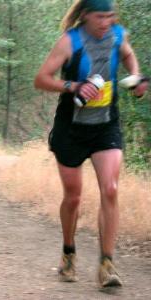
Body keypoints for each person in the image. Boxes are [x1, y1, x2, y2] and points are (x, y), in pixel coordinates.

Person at [34, 0, 148, 288]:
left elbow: (129, 57)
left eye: (110, 16)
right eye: (100, 17)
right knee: (73, 197)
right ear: (85, 16)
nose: (106, 22)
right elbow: (41, 79)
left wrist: (136, 79)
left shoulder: (117, 35)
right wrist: (72, 86)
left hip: (105, 126)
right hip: (70, 129)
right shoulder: (69, 41)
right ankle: (69, 252)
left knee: (110, 189)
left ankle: (107, 264)